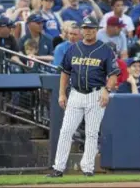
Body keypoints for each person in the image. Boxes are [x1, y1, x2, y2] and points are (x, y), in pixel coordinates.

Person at [46, 16, 120, 177]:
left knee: (92, 133)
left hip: (96, 94)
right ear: (82, 30)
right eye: (85, 28)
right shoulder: (73, 48)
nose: (88, 31)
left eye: (91, 28)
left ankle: (88, 168)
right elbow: (65, 72)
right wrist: (61, 94)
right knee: (66, 131)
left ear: (96, 30)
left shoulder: (105, 49)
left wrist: (107, 91)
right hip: (75, 94)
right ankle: (58, 168)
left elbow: (114, 74)